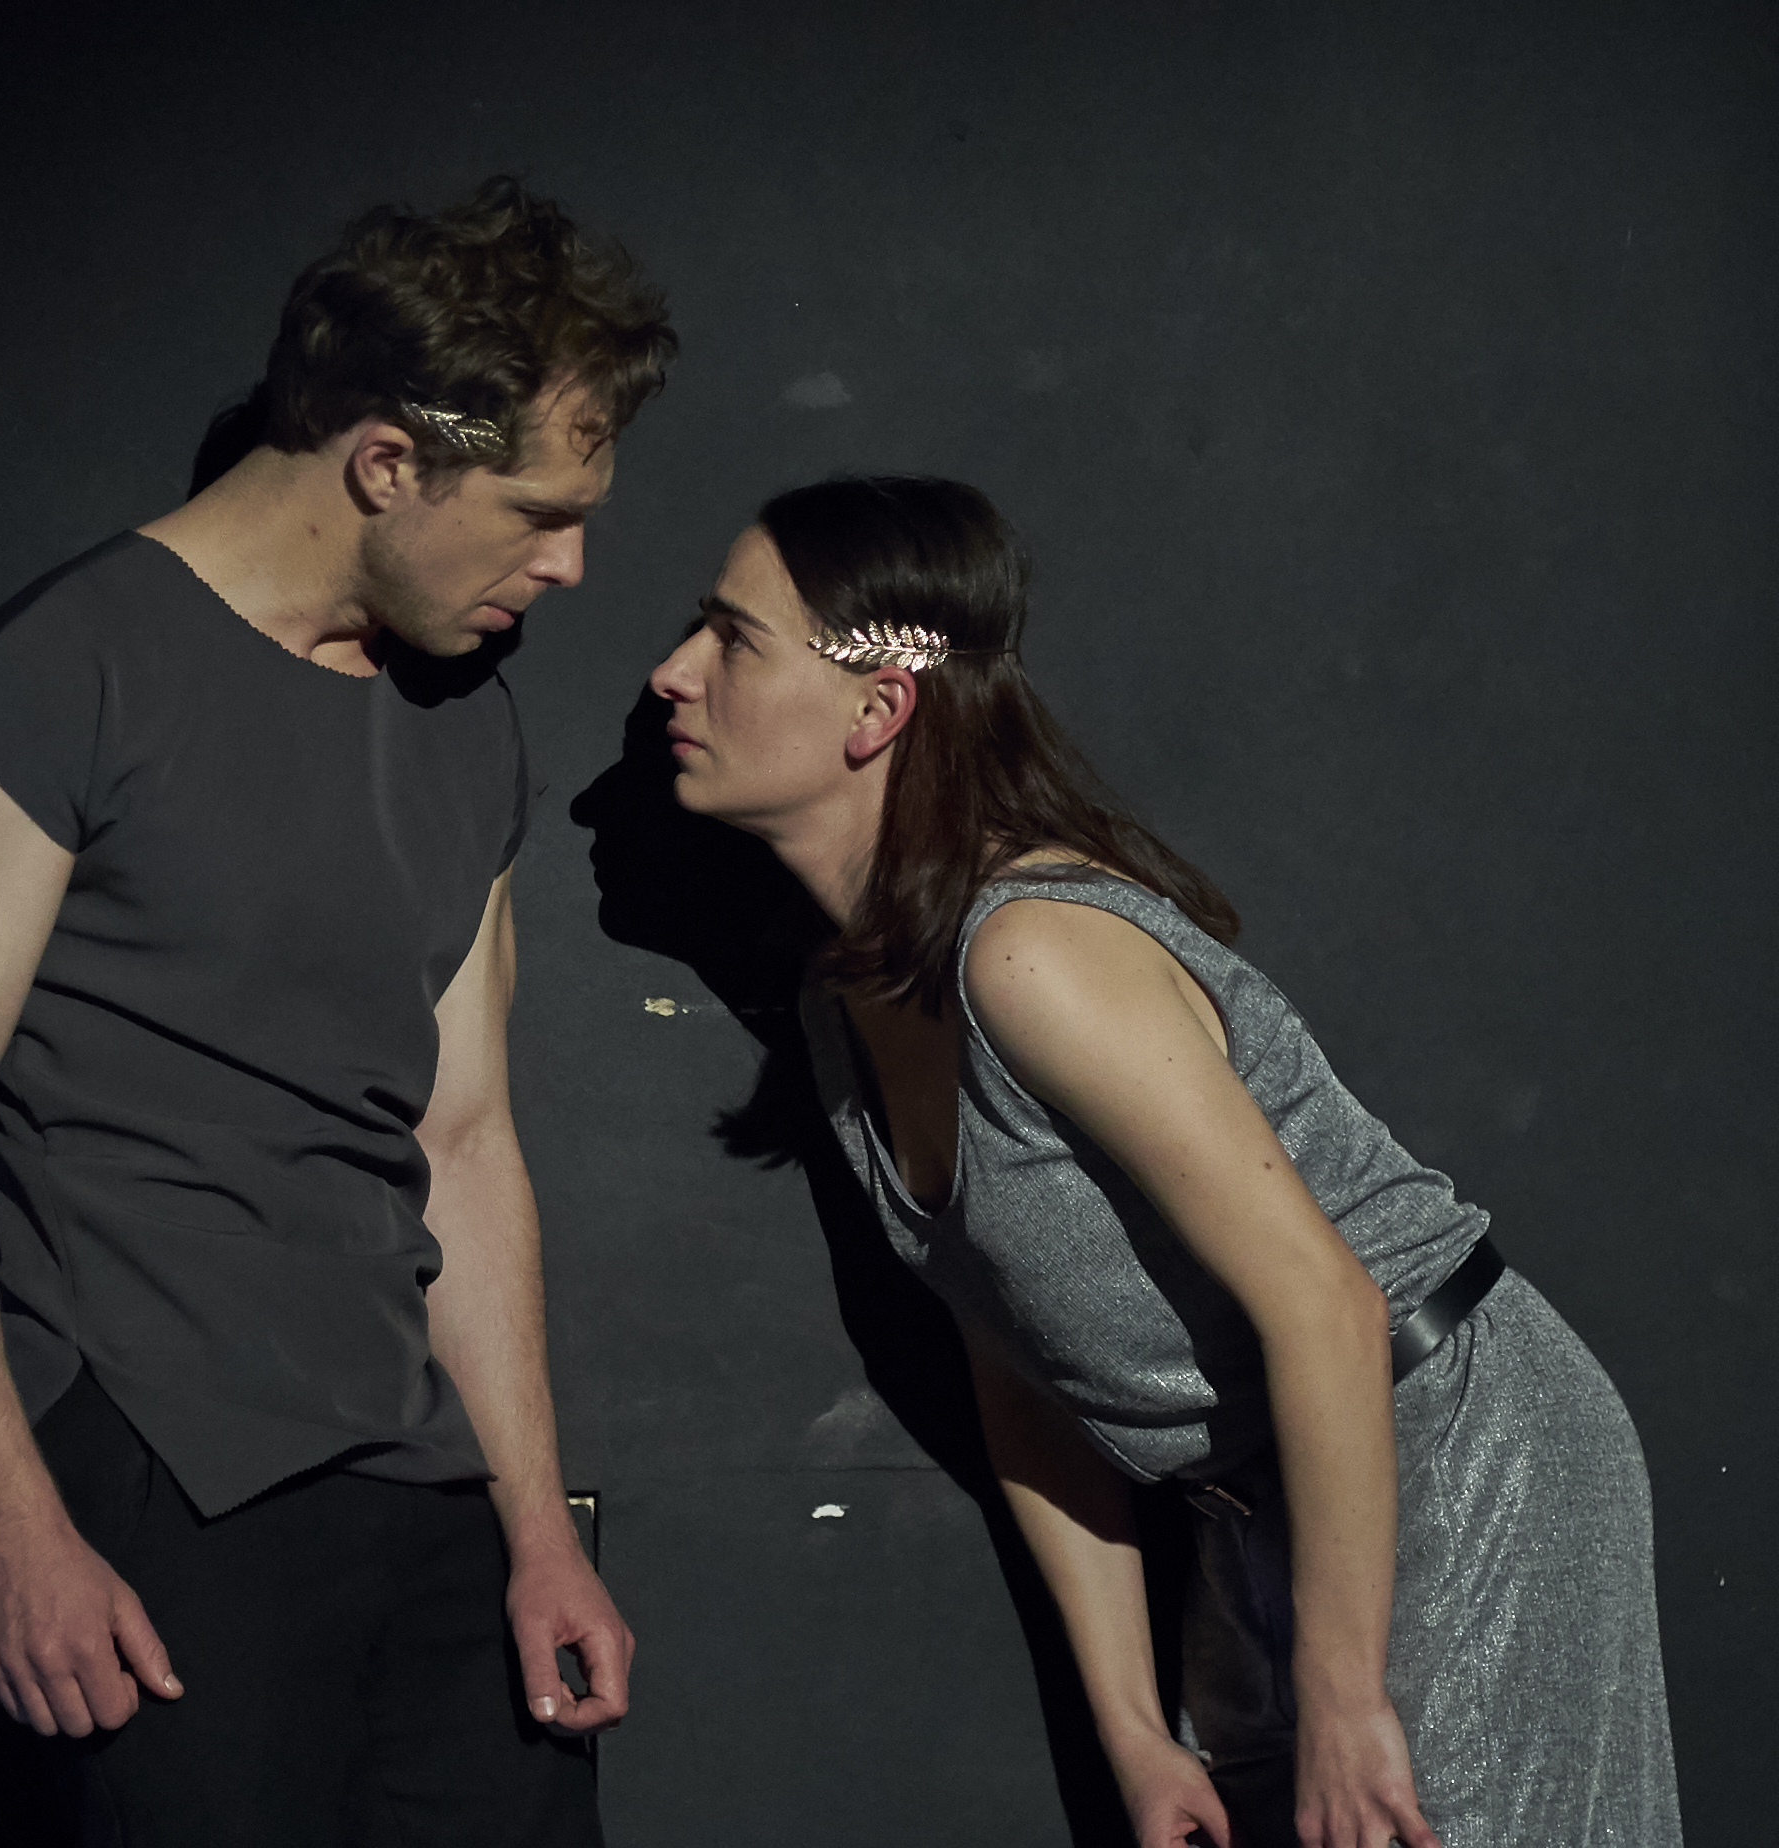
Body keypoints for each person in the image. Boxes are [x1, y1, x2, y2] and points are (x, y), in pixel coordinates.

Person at [0, 178, 675, 1845]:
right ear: (386, 463)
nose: (570, 567)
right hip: (153, 1477)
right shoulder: (70, 670)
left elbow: (462, 1139)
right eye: (538, 512)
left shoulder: (465, 721)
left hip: (424, 1491)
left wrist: (538, 1533)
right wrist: (13, 1527)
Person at [646, 476, 1680, 1848]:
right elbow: (1026, 1369)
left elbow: (1325, 1303)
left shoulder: (1032, 953)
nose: (671, 674)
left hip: (1451, 1447)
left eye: (732, 638)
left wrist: (1343, 1693)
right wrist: (1134, 1733)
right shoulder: (846, 1014)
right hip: (1249, 1512)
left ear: (877, 707)